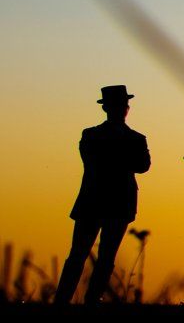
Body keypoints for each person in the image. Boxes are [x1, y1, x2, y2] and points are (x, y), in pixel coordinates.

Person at [53, 85, 151, 304]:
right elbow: (95, 161)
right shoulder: (92, 135)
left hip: (116, 203)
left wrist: (115, 156)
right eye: (118, 105)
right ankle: (62, 300)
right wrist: (123, 158)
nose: (122, 109)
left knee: (105, 257)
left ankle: (91, 300)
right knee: (79, 254)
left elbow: (143, 166)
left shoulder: (133, 138)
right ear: (106, 108)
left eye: (124, 105)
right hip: (95, 202)